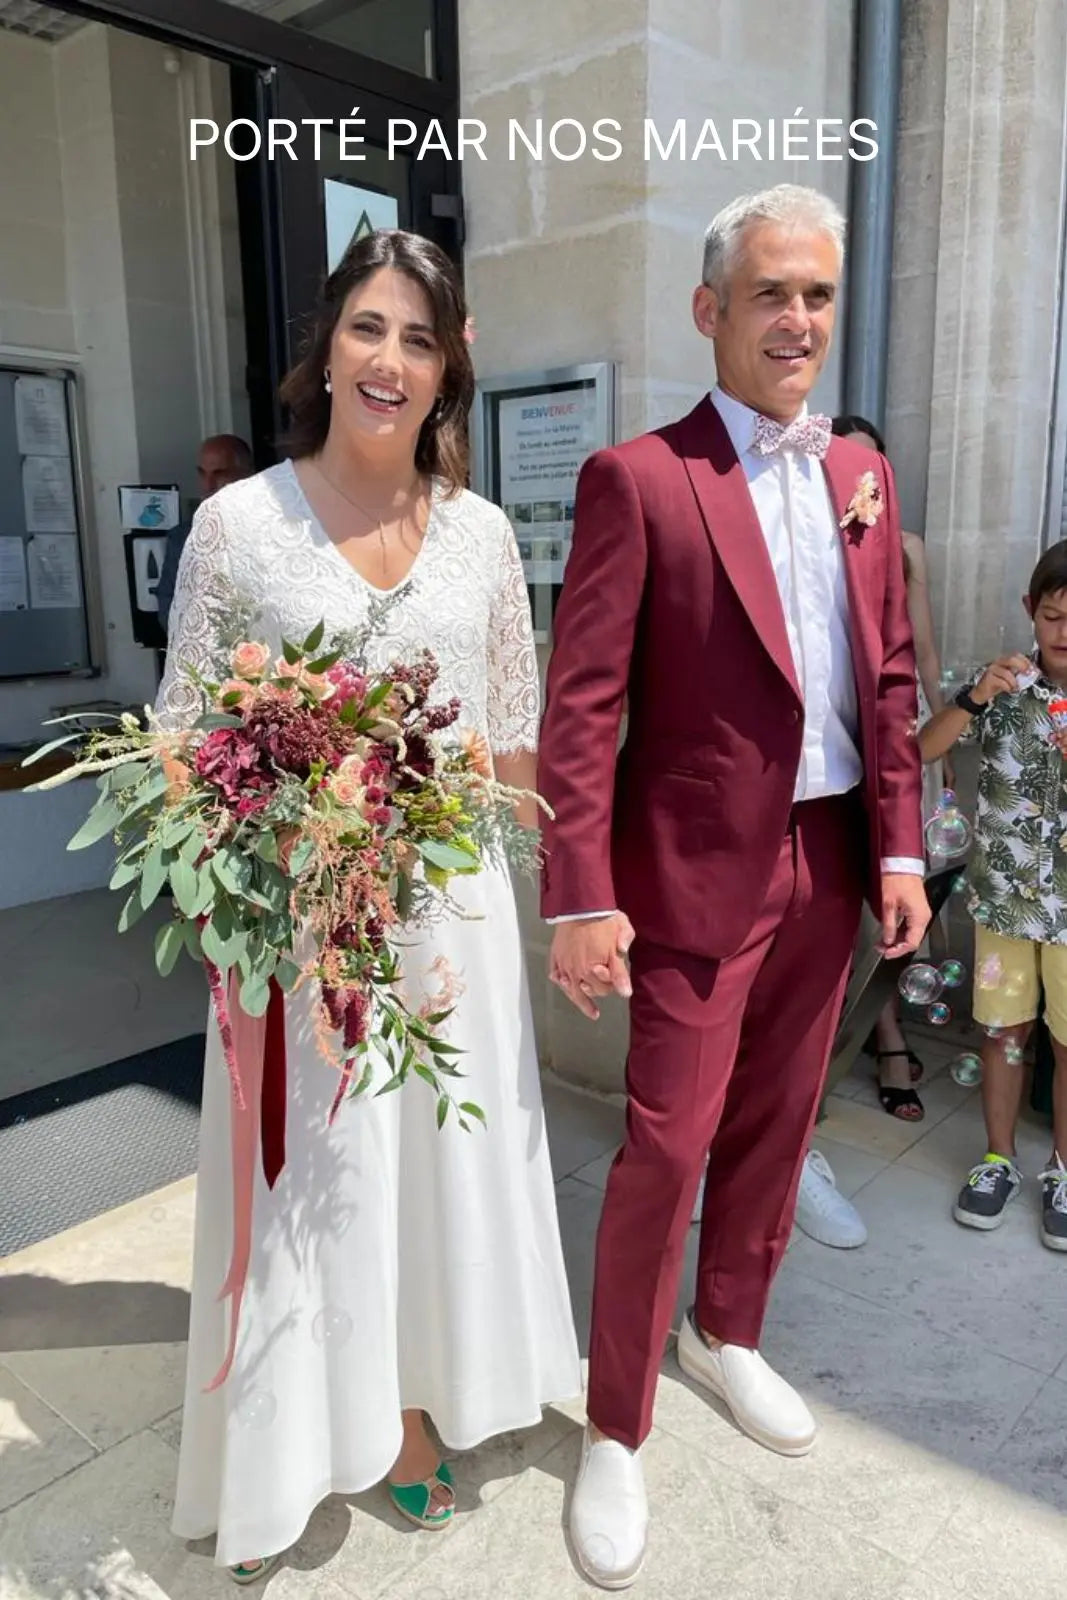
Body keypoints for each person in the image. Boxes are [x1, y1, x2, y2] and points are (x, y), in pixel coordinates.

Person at [157, 230, 581, 1580]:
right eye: (365, 329)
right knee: (320, 1179)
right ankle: (297, 1438)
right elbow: (179, 737)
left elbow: (513, 743)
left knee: (431, 1174)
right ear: (324, 349)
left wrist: (547, 903)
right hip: (303, 925)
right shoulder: (240, 526)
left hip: (448, 924)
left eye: (418, 337)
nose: (388, 360)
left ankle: (411, 1405)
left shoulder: (482, 536)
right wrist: (272, 841)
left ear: (447, 367)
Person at [538, 184, 928, 1590]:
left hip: (830, 864)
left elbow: (884, 675)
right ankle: (616, 1417)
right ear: (708, 310)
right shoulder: (637, 481)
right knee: (663, 1145)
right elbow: (580, 705)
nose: (795, 319)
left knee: (772, 1127)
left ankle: (730, 1329)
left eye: (816, 294)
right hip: (692, 876)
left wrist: (895, 846)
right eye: (769, 292)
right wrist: (577, 890)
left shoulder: (855, 483)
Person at [918, 540, 1067, 1251]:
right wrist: (974, 694)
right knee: (1001, 1035)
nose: (1062, 631)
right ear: (1028, 612)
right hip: (1004, 897)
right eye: (1050, 615)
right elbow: (922, 747)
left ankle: (1063, 1171)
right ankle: (997, 1159)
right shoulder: (1002, 685)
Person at [832, 413, 950, 1121]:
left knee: (898, 898)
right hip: (835, 747)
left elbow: (921, 650)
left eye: (871, 463)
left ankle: (888, 1027)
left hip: (897, 740)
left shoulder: (904, 545)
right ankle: (867, 1031)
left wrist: (942, 733)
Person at [156, 435, 254, 633]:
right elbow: (168, 607)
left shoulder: (271, 528)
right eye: (202, 473)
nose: (208, 485)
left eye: (219, 474)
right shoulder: (182, 537)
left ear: (246, 475)